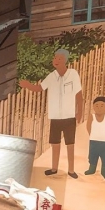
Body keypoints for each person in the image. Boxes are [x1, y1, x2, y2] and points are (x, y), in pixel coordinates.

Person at [19, 49, 83, 179]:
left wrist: (79, 112)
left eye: (60, 58)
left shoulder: (73, 74)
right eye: (55, 58)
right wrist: (27, 85)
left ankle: (71, 170)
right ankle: (54, 168)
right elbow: (39, 88)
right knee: (55, 143)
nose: (56, 61)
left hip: (69, 116)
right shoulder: (51, 76)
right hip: (55, 117)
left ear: (65, 60)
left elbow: (79, 94)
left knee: (70, 144)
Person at [85, 96, 105, 180]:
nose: (99, 108)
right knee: (92, 155)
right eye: (96, 106)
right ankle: (92, 169)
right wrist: (91, 135)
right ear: (93, 107)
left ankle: (104, 171)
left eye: (102, 106)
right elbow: (88, 126)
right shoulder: (92, 116)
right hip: (93, 141)